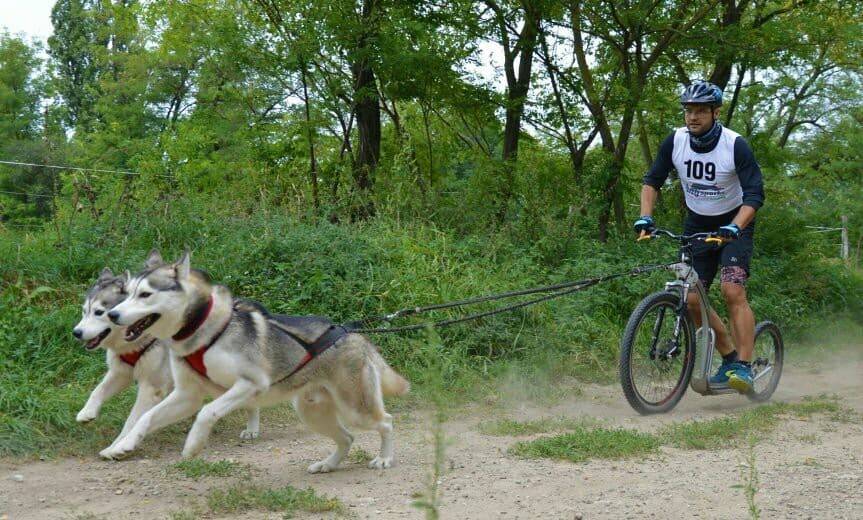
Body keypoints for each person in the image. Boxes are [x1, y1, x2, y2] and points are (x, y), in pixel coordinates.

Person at [634, 80, 765, 393]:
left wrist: (735, 226)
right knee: (692, 299)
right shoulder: (675, 141)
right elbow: (652, 181)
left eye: (700, 111)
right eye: (688, 110)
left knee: (732, 290)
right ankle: (729, 357)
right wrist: (646, 216)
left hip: (735, 224)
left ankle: (744, 367)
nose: (693, 116)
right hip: (697, 224)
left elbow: (755, 194)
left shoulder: (734, 145)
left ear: (715, 112)